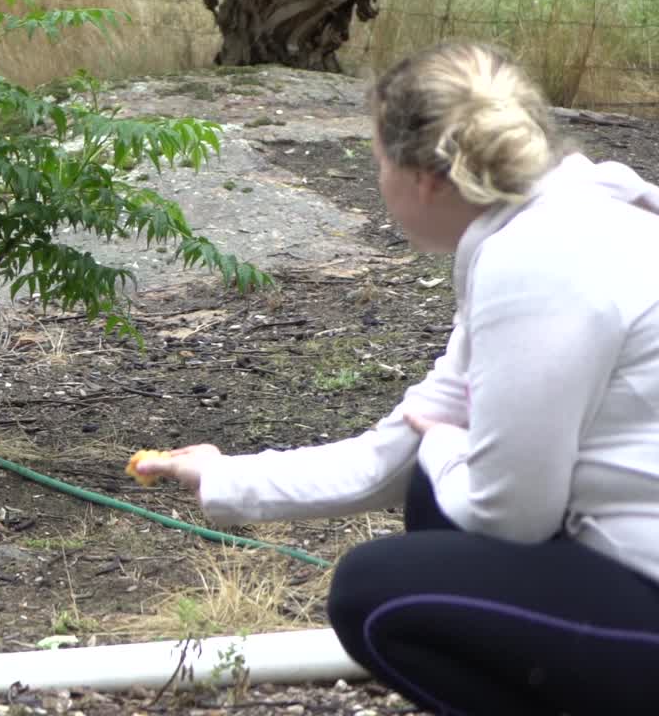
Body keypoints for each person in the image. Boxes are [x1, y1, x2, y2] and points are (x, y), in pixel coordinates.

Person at [135, 41, 659, 716]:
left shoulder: (539, 261)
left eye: (378, 160)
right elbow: (398, 450)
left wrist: (444, 448)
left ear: (427, 179)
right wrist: (222, 475)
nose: (377, 179)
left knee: (374, 593)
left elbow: (510, 516)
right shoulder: (546, 226)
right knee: (432, 502)